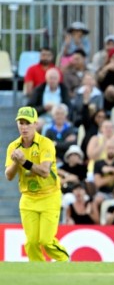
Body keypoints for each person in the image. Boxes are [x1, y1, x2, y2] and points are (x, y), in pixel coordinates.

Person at [4, 106, 69, 262]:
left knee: (46, 241)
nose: (24, 127)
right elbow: (8, 176)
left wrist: (24, 161)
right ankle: (39, 273)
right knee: (32, 242)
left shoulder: (46, 144)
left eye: (28, 123)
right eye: (21, 122)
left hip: (49, 196)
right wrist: (15, 163)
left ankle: (65, 261)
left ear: (36, 124)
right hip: (28, 198)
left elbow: (45, 171)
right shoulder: (13, 146)